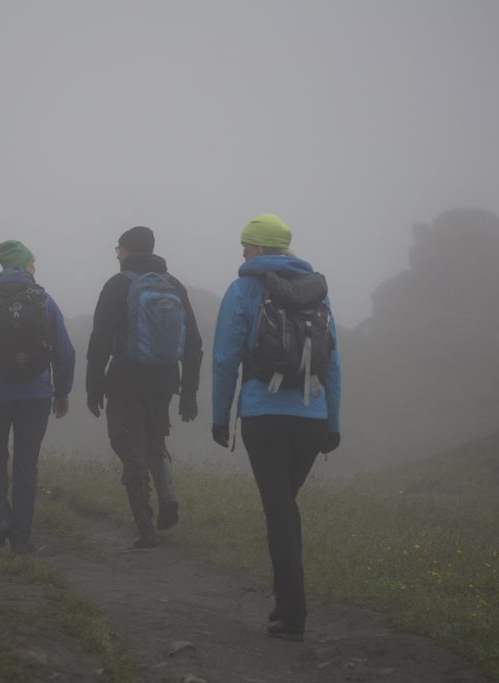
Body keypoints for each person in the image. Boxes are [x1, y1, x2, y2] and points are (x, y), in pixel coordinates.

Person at [211, 214, 342, 641]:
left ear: (260, 249)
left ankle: (293, 614)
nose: (242, 252)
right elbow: (333, 363)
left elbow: (225, 358)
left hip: (263, 415)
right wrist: (332, 422)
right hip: (311, 418)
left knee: (280, 511)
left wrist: (219, 415)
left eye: (246, 245)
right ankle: (287, 605)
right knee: (286, 507)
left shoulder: (243, 289)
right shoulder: (316, 292)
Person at [0, 240, 75, 554]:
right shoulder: (44, 301)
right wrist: (61, 394)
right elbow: (65, 352)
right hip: (35, 394)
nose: (36, 268)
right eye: (33, 262)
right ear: (22, 266)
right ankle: (21, 539)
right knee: (26, 464)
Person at [86, 226, 203, 548]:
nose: (116, 255)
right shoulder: (173, 285)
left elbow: (100, 340)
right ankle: (167, 495)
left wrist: (93, 385)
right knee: (155, 437)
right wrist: (189, 392)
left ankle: (146, 529)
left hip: (125, 378)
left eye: (117, 249)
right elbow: (193, 343)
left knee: (127, 444)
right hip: (164, 381)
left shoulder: (117, 285)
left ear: (126, 251)